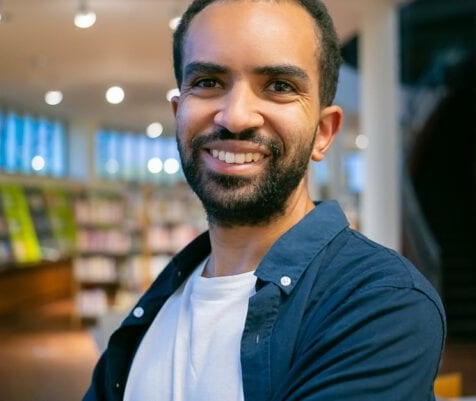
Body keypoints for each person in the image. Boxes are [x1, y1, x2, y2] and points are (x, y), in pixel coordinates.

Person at [83, 0, 445, 400]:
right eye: (207, 81)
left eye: (279, 86)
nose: (235, 117)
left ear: (323, 132)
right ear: (178, 113)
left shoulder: (381, 304)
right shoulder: (160, 301)